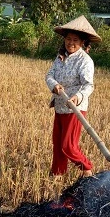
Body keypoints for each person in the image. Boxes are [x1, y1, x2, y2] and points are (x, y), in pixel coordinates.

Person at [45, 15, 102, 178]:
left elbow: (88, 85)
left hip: (75, 108)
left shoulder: (85, 61)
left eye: (75, 40)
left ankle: (87, 170)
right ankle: (57, 173)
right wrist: (54, 85)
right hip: (60, 105)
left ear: (82, 42)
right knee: (57, 144)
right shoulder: (60, 57)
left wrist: (77, 97)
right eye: (68, 39)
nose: (71, 43)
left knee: (68, 146)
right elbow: (49, 75)